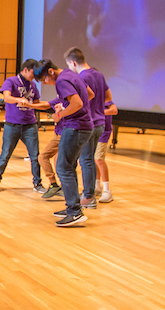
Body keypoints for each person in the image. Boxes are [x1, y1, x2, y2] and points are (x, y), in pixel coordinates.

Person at [34, 58, 93, 227]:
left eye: (44, 79)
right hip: (82, 126)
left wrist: (60, 114)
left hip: (76, 127)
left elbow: (78, 103)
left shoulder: (62, 80)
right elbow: (89, 94)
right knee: (68, 166)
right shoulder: (71, 75)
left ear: (51, 72)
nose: (45, 83)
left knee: (62, 167)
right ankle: (72, 208)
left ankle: (75, 211)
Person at [64, 48, 111, 210]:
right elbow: (108, 97)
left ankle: (88, 196)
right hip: (101, 123)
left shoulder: (82, 77)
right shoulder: (99, 75)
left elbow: (79, 101)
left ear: (73, 62)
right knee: (89, 159)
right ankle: (88, 195)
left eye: (69, 65)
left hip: (88, 123)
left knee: (86, 160)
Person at [0, 59, 42, 193]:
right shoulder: (11, 81)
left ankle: (37, 183)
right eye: (33, 72)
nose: (34, 75)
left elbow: (36, 103)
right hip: (12, 125)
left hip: (30, 124)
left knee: (35, 155)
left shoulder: (33, 85)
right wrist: (19, 99)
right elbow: (6, 98)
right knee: (6, 153)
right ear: (25, 70)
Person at [95, 100, 117, 203]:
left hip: (103, 130)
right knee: (93, 159)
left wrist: (97, 112)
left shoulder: (104, 97)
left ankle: (107, 190)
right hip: (92, 129)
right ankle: (96, 186)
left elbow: (114, 110)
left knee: (99, 159)